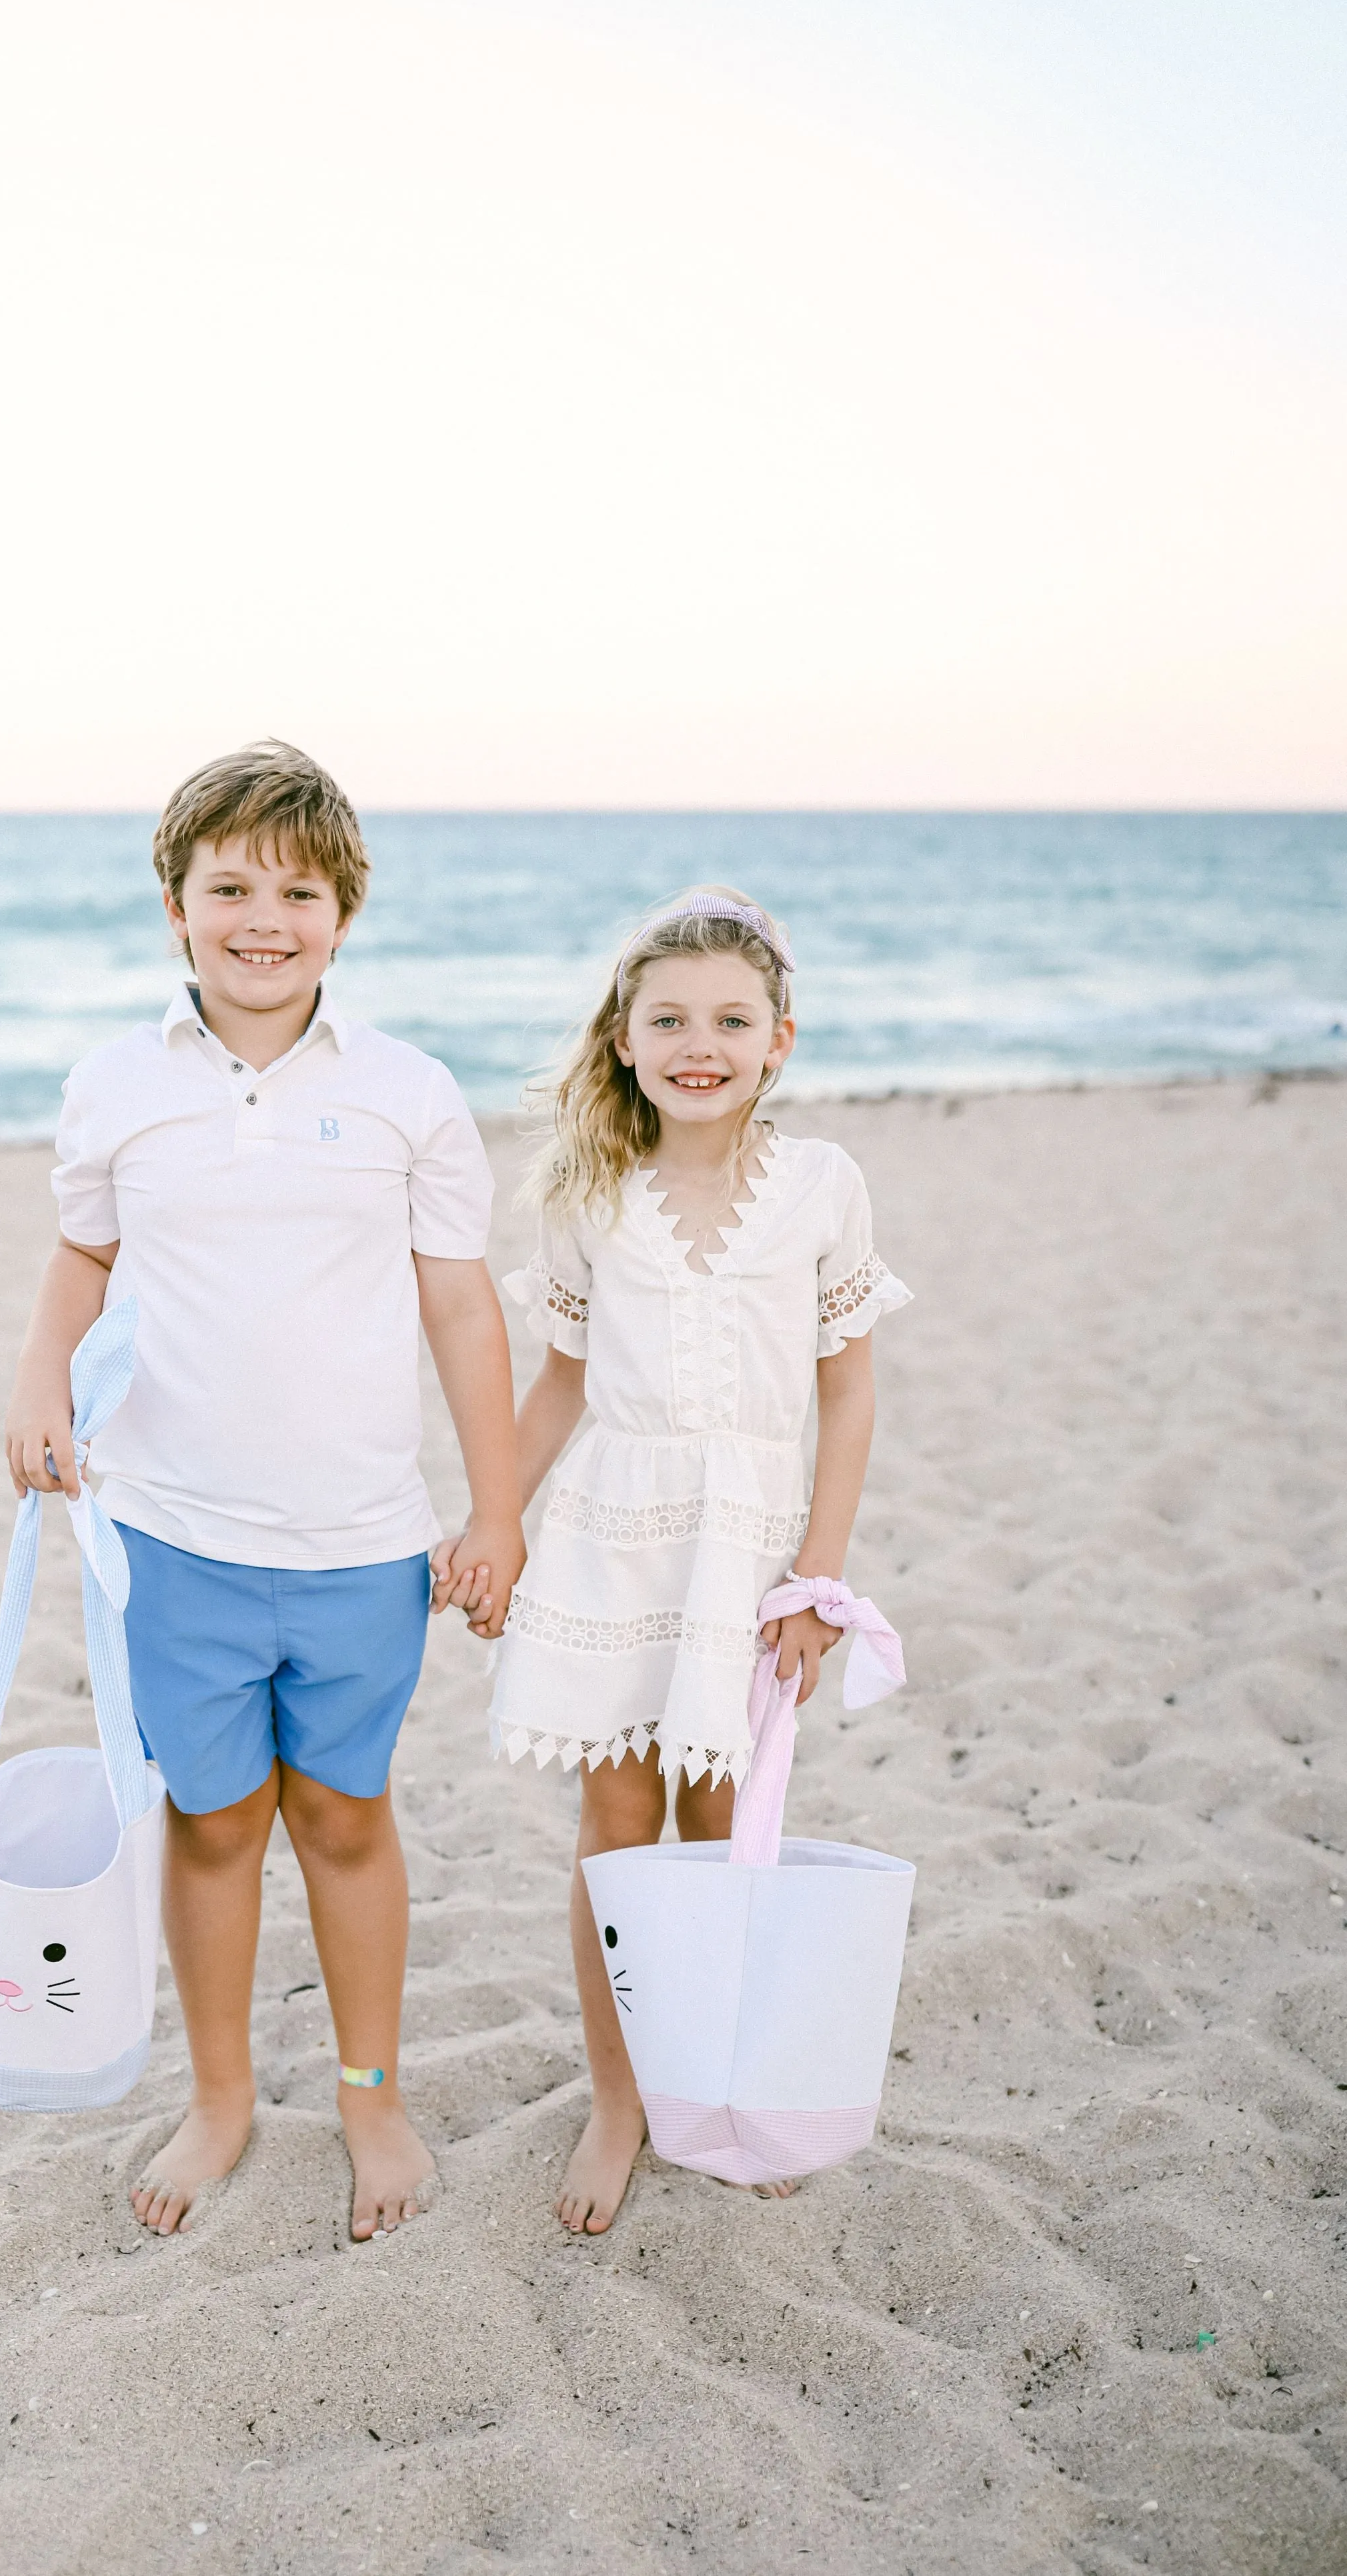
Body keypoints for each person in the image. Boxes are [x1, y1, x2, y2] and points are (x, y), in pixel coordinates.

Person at [4, 742, 525, 2240]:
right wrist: (39, 1382)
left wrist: (491, 1512)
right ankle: (223, 2097)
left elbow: (463, 1313)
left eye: (296, 891)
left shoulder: (407, 1094)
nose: (262, 918)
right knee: (218, 1827)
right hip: (173, 1537)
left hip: (363, 1545)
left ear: (342, 914)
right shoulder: (114, 1088)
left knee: (348, 1821)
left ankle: (372, 2094)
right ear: (177, 904)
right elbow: (83, 1258)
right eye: (229, 886)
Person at [487, 886, 910, 2234]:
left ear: (779, 1040)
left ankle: (727, 2078)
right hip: (611, 1542)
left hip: (748, 1557)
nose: (698, 1043)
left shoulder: (822, 1187)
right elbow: (556, 1384)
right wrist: (492, 1513)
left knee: (728, 1830)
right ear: (622, 1037)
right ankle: (620, 2102)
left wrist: (817, 1577)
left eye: (730, 1020)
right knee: (617, 1831)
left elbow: (848, 1394)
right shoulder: (588, 1190)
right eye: (667, 1018)